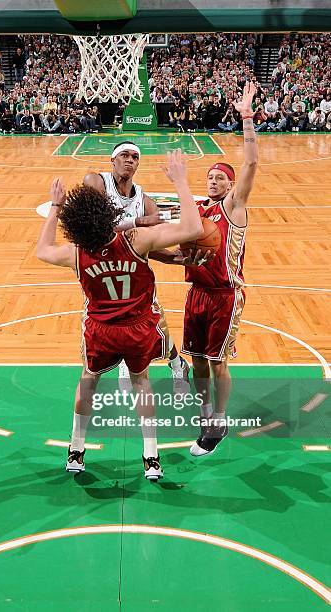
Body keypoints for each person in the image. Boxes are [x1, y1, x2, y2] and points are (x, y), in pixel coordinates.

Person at [36, 150, 204, 479]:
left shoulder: (76, 253)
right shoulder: (136, 240)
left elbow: (42, 250)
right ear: (108, 212)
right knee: (142, 383)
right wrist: (180, 180)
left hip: (100, 330)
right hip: (138, 328)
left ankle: (76, 450)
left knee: (88, 383)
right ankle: (151, 457)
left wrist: (55, 207)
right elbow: (192, 226)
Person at [182, 81, 258, 456]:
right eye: (210, 177)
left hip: (225, 295)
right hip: (196, 293)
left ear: (231, 186)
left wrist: (246, 116)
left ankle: (221, 420)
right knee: (197, 359)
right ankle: (205, 413)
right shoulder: (198, 209)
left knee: (218, 362)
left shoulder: (234, 207)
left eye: (220, 178)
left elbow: (251, 163)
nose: (213, 181)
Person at [83, 141, 192, 393]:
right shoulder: (95, 182)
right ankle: (128, 361)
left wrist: (178, 258)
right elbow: (93, 226)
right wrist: (139, 221)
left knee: (154, 322)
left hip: (133, 274)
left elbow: (152, 246)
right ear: (113, 160)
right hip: (98, 272)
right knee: (107, 325)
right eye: (124, 155)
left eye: (134, 156)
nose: (130, 160)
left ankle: (176, 364)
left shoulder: (144, 199)